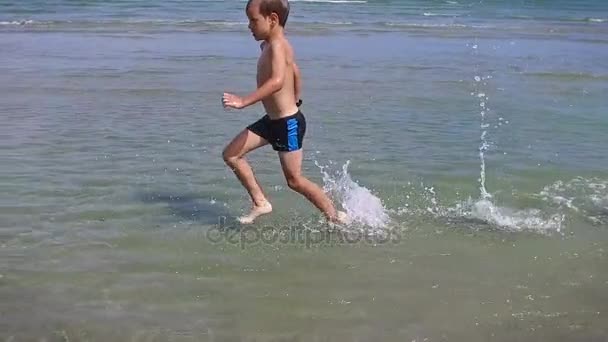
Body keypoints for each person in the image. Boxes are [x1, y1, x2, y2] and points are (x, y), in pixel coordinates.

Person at [221, 0, 348, 225]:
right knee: (231, 154)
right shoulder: (269, 46)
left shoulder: (279, 45)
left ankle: (334, 217)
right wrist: (297, 98)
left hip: (288, 123)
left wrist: (243, 101)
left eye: (253, 20)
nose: (249, 26)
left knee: (295, 180)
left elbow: (277, 81)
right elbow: (295, 70)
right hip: (272, 121)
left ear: (272, 19)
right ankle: (261, 202)